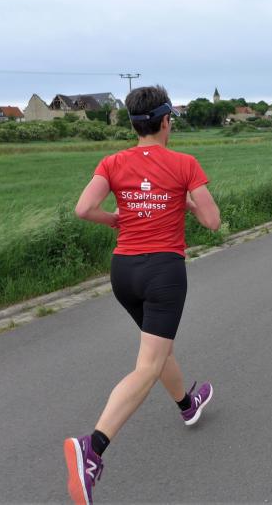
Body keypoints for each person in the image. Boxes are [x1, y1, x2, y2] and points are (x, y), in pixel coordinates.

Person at [64, 85, 221, 505]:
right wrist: (188, 204)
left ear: (135, 124)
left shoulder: (112, 162)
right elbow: (213, 221)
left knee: (158, 348)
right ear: (166, 121)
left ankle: (188, 404)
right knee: (147, 365)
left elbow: (83, 209)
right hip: (163, 273)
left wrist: (115, 219)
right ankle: (93, 447)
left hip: (124, 272)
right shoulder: (185, 163)